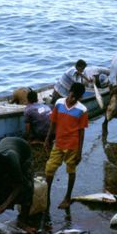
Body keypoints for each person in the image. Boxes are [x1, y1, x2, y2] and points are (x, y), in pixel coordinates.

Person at [44, 82, 88, 210]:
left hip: (72, 145)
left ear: (80, 98)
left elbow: (81, 132)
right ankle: (46, 197)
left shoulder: (82, 110)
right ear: (69, 92)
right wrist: (47, 139)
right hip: (58, 143)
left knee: (71, 170)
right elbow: (53, 122)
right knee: (49, 169)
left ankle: (67, 197)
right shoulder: (58, 103)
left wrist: (80, 152)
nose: (72, 99)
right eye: (71, 96)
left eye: (75, 98)